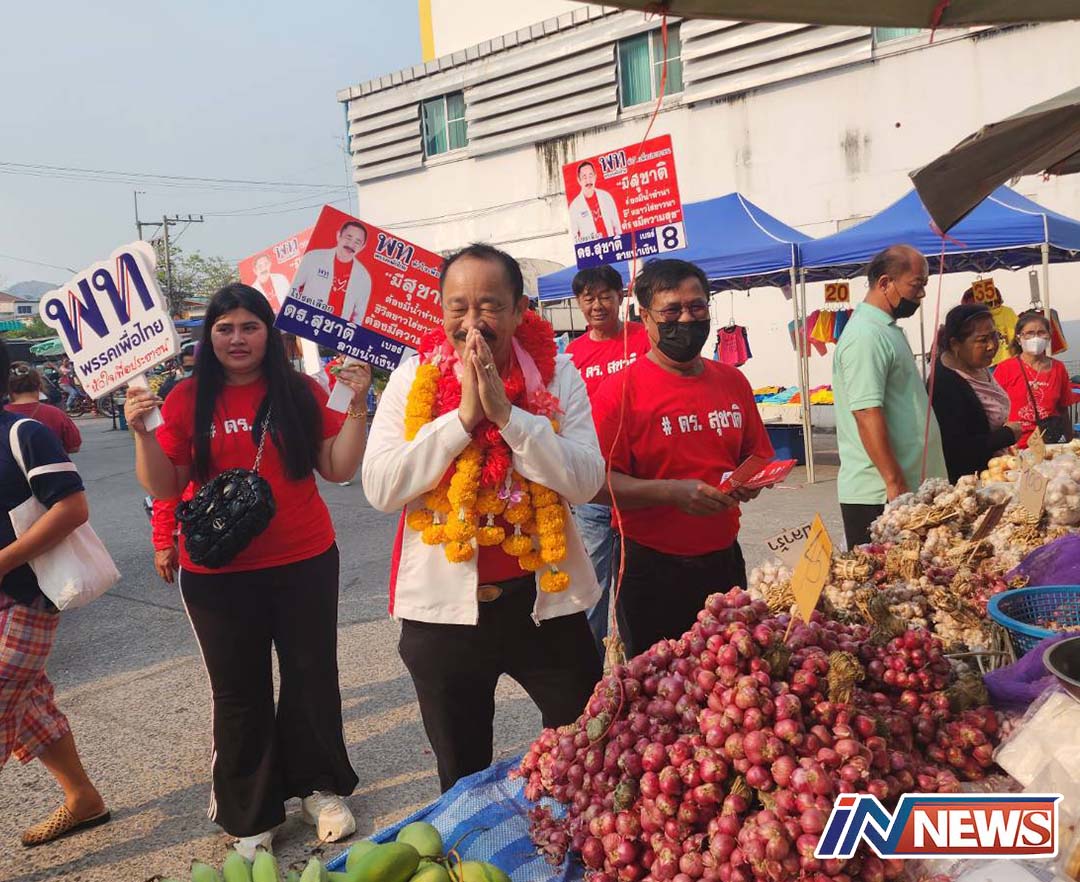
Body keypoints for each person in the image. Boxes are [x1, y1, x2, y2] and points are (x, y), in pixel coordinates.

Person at [124, 283, 371, 858]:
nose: (237, 338)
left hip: (305, 559)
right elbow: (164, 484)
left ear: (270, 333)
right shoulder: (185, 398)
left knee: (312, 676)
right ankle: (251, 809)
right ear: (208, 336)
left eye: (250, 326)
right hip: (218, 574)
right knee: (239, 690)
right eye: (225, 328)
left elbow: (337, 468)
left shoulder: (301, 391)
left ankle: (318, 788)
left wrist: (359, 403)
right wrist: (140, 433)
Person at [362, 243, 604, 793]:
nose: (472, 322)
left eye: (490, 305)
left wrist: (509, 417)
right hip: (444, 617)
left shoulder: (557, 374)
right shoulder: (412, 378)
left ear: (519, 311)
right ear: (441, 311)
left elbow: (587, 480)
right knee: (462, 777)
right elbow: (380, 487)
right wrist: (462, 420)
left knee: (584, 755)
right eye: (458, 307)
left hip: (544, 604)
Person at [590, 258, 774, 659]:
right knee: (657, 682)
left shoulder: (733, 381)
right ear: (645, 317)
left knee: (732, 672)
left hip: (723, 558)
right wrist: (671, 493)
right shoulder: (618, 392)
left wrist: (749, 481)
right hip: (650, 567)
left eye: (697, 307)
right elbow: (595, 485)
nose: (687, 319)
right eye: (672, 311)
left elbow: (757, 453)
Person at [0, 340, 110, 847]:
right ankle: (83, 798)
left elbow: (71, 508)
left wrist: (3, 561)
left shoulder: (24, 433)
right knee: (31, 705)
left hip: (25, 595)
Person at [832, 245, 947, 549]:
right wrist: (894, 482)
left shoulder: (887, 330)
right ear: (885, 283)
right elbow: (866, 413)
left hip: (907, 488)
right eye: (916, 284)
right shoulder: (865, 335)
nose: (921, 294)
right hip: (881, 493)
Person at [564, 266, 650, 655]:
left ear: (621, 296)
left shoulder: (643, 339)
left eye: (605, 296)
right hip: (593, 487)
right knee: (592, 586)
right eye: (588, 298)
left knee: (638, 583)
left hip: (640, 482)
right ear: (578, 303)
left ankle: (642, 667)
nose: (597, 305)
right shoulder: (570, 357)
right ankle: (588, 672)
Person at [930, 304, 1021, 482]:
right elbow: (955, 449)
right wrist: (1007, 435)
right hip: (972, 482)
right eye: (982, 340)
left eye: (994, 335)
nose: (992, 346)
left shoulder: (977, 364)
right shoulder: (944, 384)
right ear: (955, 344)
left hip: (998, 472)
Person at [994, 309, 1075, 448]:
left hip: (1050, 446)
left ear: (1049, 337)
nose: (1035, 338)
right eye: (1030, 333)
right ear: (1019, 339)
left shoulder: (1058, 368)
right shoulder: (1005, 369)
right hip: (1016, 447)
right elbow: (994, 410)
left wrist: (1069, 442)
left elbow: (1063, 408)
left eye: (1041, 332)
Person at [289, 220, 373, 325]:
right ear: (338, 236)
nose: (351, 244)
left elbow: (360, 315)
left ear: (362, 247)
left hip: (335, 331)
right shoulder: (313, 257)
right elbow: (293, 288)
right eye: (348, 238)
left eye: (357, 242)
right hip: (304, 323)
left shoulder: (363, 277)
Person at [5, 362, 82, 454]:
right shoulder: (55, 413)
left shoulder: (4, 414)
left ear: (8, 388)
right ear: (39, 385)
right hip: (51, 461)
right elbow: (74, 447)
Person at [568, 161, 623, 243]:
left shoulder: (606, 197)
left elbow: (617, 227)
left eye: (590, 176)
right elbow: (574, 237)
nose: (588, 181)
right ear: (579, 180)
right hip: (592, 248)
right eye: (584, 177)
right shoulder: (574, 207)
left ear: (595, 177)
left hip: (612, 246)